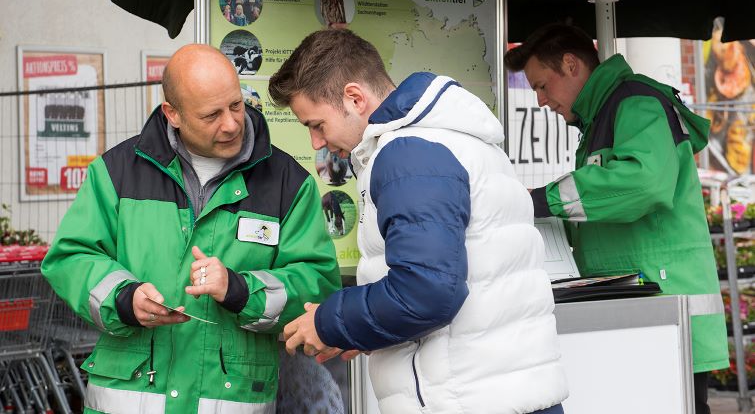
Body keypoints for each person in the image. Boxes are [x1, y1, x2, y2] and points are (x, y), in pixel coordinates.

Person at [270, 29, 568, 414]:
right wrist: (361, 329)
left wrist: (327, 322)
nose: (315, 143)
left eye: (316, 124)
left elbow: (427, 291)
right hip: (498, 393)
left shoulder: (407, 154)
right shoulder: (451, 138)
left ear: (355, 98)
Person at [41, 44, 341, 413]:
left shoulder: (288, 184)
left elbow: (317, 282)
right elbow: (70, 257)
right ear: (173, 114)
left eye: (235, 105)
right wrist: (124, 298)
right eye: (211, 114)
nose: (231, 123)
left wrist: (242, 290)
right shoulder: (115, 173)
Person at [504, 23, 728, 414]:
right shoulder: (606, 113)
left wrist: (543, 201)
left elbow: (644, 184)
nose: (540, 100)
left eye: (542, 85)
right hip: (645, 316)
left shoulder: (635, 103)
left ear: (571, 64)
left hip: (664, 316)